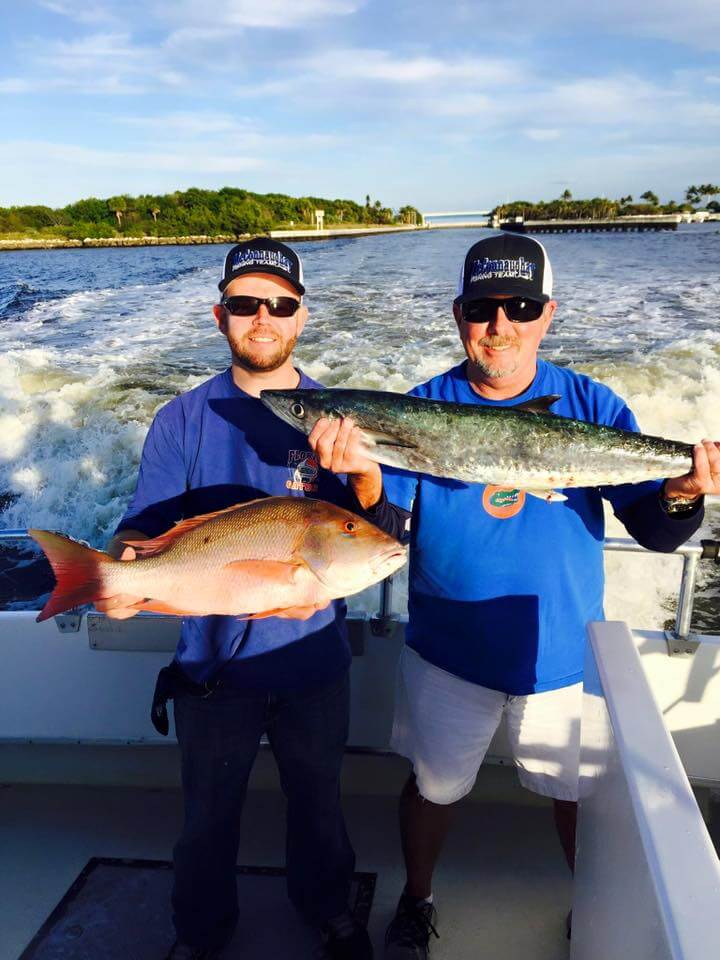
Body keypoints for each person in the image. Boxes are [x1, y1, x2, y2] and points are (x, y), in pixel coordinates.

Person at [360, 232, 720, 959]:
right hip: (448, 654)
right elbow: (382, 534)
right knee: (432, 787)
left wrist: (684, 490)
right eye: (482, 307)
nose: (500, 325)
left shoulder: (591, 403)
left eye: (519, 307)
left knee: (576, 797)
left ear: (546, 314)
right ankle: (416, 898)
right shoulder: (415, 411)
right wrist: (363, 475)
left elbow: (653, 531)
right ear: (458, 314)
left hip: (562, 653)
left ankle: (590, 908)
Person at [96, 238, 387, 960]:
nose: (263, 318)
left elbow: (376, 534)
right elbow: (147, 521)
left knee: (320, 804)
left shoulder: (339, 421)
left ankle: (328, 909)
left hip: (312, 662)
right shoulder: (182, 419)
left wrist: (369, 480)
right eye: (245, 304)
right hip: (210, 667)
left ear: (302, 317)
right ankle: (201, 932)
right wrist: (122, 568)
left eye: (280, 304)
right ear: (219, 315)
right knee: (206, 817)